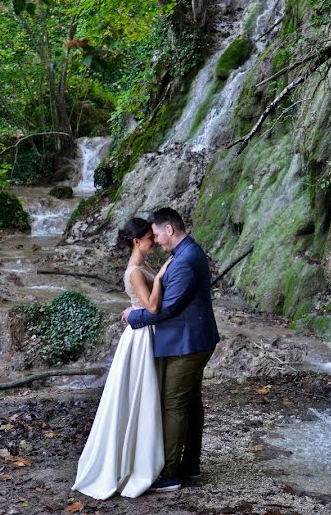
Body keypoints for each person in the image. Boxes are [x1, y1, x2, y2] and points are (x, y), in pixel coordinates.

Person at [121, 206, 220, 493]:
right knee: (190, 401)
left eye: (156, 235)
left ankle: (170, 473)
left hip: (187, 343)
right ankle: (190, 464)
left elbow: (166, 309)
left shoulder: (185, 260)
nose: (156, 241)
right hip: (193, 339)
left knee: (174, 403)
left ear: (169, 230)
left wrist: (132, 317)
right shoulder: (186, 253)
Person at [72, 218, 171, 499]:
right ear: (137, 241)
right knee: (141, 394)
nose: (154, 241)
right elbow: (151, 306)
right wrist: (162, 277)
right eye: (150, 238)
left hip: (147, 333)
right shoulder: (135, 272)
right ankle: (135, 463)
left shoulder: (145, 266)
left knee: (145, 395)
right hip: (141, 336)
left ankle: (144, 454)